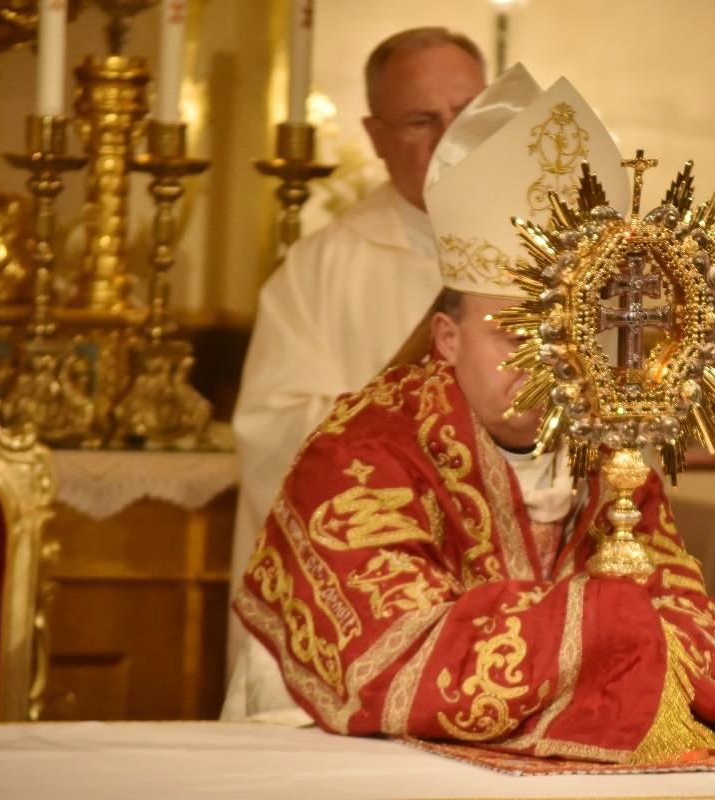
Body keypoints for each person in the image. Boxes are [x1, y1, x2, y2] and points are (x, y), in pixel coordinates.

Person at [230, 65, 715, 762]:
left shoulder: (610, 458)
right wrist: (604, 631)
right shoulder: (361, 454)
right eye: (512, 334)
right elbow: (391, 658)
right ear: (448, 339)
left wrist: (607, 644)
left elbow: (691, 636)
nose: (541, 362)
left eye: (563, 331)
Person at [225, 28, 487, 686]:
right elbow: (272, 432)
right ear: (374, 136)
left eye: (468, 117)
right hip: (366, 599)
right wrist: (417, 425)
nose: (449, 140)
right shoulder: (322, 267)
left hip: (507, 601)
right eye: (423, 120)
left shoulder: (550, 256)